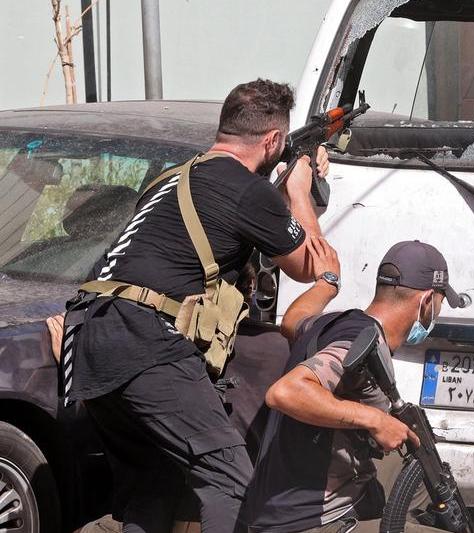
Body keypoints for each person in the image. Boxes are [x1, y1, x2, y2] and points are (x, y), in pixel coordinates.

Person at [66, 78, 332, 533]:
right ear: (272, 140)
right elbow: (312, 264)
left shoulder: (172, 177)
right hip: (146, 343)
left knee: (156, 482)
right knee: (231, 482)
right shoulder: (249, 192)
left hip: (90, 335)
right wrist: (301, 189)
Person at [239, 239, 466, 533]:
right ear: (425, 301)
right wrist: (374, 419)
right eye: (439, 302)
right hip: (307, 522)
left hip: (283, 501)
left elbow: (292, 321)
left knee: (421, 475)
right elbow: (286, 392)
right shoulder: (361, 340)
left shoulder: (333, 324)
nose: (439, 311)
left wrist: (327, 285)